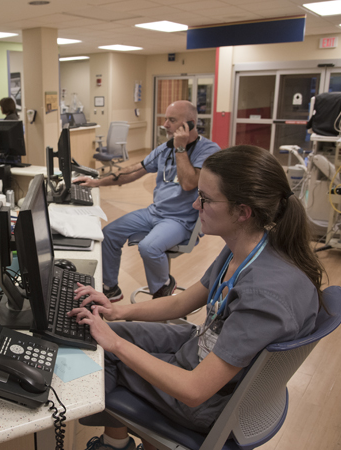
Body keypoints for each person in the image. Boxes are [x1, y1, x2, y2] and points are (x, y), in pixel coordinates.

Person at [69, 145, 325, 450]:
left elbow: (193, 390)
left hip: (211, 399)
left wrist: (114, 344)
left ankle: (115, 444)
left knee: (105, 357)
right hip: (201, 350)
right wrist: (116, 312)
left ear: (243, 212)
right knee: (104, 333)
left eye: (204, 199)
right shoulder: (243, 248)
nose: (194, 205)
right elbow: (181, 303)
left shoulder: (265, 296)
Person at [75, 101, 220, 302]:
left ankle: (162, 292)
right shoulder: (164, 149)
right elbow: (135, 171)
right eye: (165, 119)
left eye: (172, 120)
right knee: (108, 234)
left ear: (190, 124)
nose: (165, 125)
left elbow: (188, 183)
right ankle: (110, 287)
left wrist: (180, 149)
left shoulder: (208, 151)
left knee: (148, 247)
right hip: (154, 213)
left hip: (180, 221)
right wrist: (96, 182)